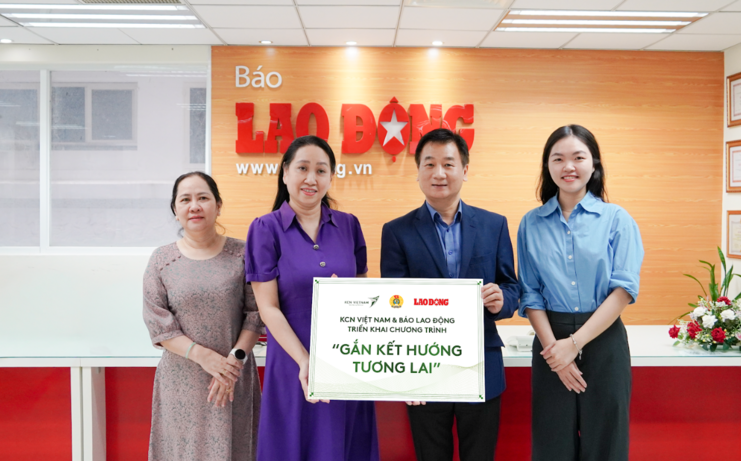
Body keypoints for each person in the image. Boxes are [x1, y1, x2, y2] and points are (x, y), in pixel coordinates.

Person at [380, 128, 519, 461]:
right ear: (418, 173)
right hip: (424, 371)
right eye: (429, 164)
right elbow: (392, 307)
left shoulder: (493, 225)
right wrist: (404, 376)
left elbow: (513, 287)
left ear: (465, 170)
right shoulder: (396, 232)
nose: (438, 173)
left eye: (448, 163)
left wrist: (502, 300)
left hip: (481, 366)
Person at [245, 135, 379, 461]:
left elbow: (363, 291)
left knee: (346, 446)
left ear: (331, 177)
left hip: (346, 361)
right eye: (302, 168)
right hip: (294, 364)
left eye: (321, 170)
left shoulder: (349, 225)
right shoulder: (265, 229)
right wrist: (306, 361)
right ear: (285, 173)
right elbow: (268, 307)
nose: (311, 178)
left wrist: (347, 296)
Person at [518, 125, 644, 461]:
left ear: (594, 164)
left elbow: (623, 290)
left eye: (578, 157)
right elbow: (530, 294)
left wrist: (574, 344)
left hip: (603, 339)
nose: (567, 166)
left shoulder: (617, 219)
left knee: (606, 441)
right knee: (551, 444)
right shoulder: (531, 223)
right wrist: (556, 354)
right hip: (550, 342)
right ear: (547, 166)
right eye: (557, 158)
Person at [143, 171, 264, 461]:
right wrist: (203, 356)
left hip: (233, 378)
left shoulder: (244, 254)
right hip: (181, 383)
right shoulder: (162, 260)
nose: (194, 206)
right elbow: (158, 324)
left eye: (203, 198)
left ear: (218, 205)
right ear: (175, 210)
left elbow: (255, 313)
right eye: (185, 199)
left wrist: (231, 365)